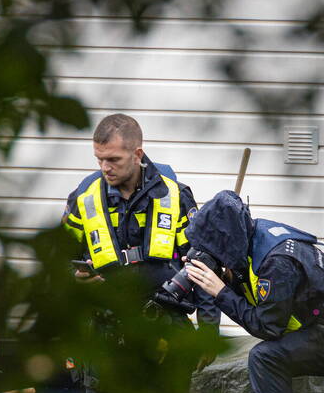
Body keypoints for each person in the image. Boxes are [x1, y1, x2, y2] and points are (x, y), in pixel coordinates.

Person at [184, 190, 324, 393]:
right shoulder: (253, 237)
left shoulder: (276, 262)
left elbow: (268, 326)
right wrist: (224, 278)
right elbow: (261, 297)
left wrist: (221, 292)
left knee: (265, 358)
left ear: (226, 239)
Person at [61, 113, 219, 329]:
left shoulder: (175, 196)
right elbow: (59, 260)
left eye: (114, 159)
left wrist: (208, 331)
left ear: (137, 154)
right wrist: (75, 277)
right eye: (100, 159)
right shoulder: (83, 199)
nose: (105, 168)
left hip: (166, 323)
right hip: (104, 327)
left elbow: (202, 265)